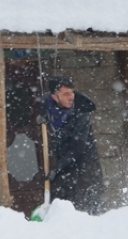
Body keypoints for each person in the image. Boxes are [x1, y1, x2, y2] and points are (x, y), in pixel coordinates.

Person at [42, 76, 106, 214]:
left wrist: (57, 169)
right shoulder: (49, 106)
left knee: (85, 213)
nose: (71, 97)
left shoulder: (82, 112)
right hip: (65, 170)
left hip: (85, 171)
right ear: (54, 96)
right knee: (60, 209)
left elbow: (78, 148)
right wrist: (42, 116)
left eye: (72, 92)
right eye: (66, 94)